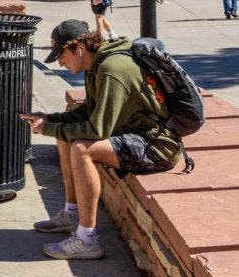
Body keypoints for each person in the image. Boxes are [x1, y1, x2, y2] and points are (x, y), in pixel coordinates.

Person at [22, 19, 182, 260]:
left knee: (82, 148)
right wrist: (49, 119)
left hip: (157, 146)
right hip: (135, 135)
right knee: (65, 137)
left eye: (61, 55)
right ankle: (73, 214)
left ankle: (87, 240)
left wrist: (48, 128)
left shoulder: (111, 69)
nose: (60, 62)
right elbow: (87, 112)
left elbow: (98, 130)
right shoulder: (97, 65)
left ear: (79, 48)